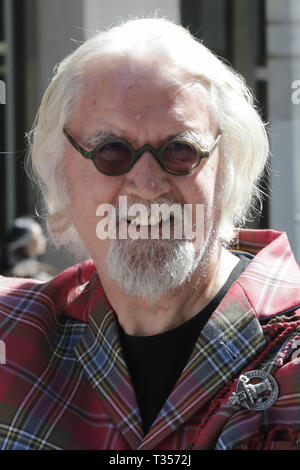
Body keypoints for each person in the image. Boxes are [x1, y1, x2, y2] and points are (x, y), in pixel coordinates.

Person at [0, 17, 299, 451]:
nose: (147, 184)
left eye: (180, 150)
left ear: (227, 168)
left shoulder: (287, 356)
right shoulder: (14, 334)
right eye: (112, 151)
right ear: (60, 170)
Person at [0, 216, 57, 281]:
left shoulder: (6, 272)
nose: (43, 239)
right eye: (38, 235)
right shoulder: (32, 274)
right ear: (24, 240)